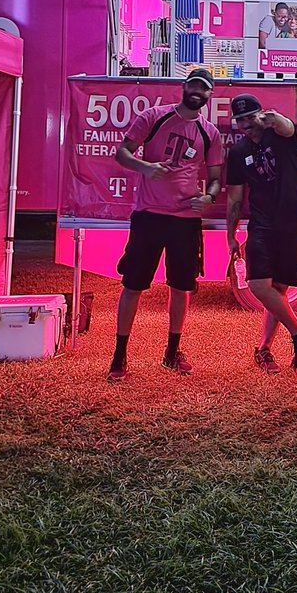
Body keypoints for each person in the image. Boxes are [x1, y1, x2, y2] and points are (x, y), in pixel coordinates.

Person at [108, 67, 223, 382]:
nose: (198, 91)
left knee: (181, 286)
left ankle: (172, 351)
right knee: (133, 285)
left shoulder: (209, 132)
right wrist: (145, 167)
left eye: (205, 88)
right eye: (194, 85)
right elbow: (122, 153)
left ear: (210, 95)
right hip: (149, 214)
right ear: (184, 88)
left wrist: (209, 198)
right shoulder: (154, 116)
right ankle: (119, 355)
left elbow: (215, 180)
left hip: (185, 219)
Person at [225, 93, 297, 374]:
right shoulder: (239, 151)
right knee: (257, 285)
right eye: (240, 120)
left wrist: (271, 117)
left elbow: (286, 126)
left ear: (261, 115)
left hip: (294, 222)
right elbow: (234, 199)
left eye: (250, 118)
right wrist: (231, 235)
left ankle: (264, 349)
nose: (246, 124)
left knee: (279, 290)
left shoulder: (280, 136)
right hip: (262, 223)